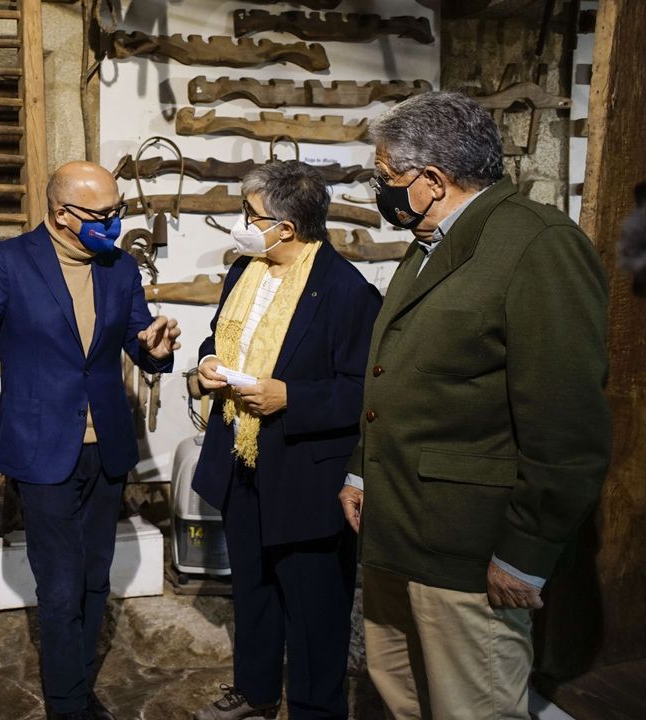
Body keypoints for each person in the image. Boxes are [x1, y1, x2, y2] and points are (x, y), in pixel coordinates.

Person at [338, 92, 612, 719]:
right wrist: (361, 467)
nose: (381, 190)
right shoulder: (432, 243)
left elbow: (568, 425)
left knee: (473, 707)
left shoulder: (538, 245)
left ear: (432, 180)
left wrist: (527, 551)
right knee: (402, 691)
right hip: (399, 529)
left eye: (387, 177)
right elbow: (400, 373)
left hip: (468, 547)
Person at [0, 161, 181, 720]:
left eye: (118, 211)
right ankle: (68, 705)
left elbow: (140, 340)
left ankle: (77, 679)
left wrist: (157, 350)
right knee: (61, 584)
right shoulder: (9, 263)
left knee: (96, 578)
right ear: (62, 214)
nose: (114, 224)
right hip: (44, 451)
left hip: (108, 447)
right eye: (103, 215)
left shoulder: (118, 268)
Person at [188, 161, 382, 720]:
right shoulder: (244, 271)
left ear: (287, 228)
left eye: (251, 215)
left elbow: (362, 392)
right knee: (252, 587)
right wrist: (207, 362)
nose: (241, 224)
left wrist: (290, 397)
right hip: (241, 458)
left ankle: (315, 709)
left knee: (314, 606)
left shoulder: (346, 292)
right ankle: (255, 691)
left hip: (305, 471)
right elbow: (220, 333)